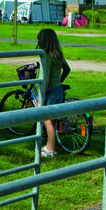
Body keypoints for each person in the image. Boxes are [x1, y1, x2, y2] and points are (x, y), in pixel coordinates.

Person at [36, 28, 71, 158]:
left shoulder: (47, 57)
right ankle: (49, 144)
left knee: (47, 120)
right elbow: (67, 69)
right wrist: (59, 81)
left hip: (50, 92)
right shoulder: (58, 54)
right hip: (58, 90)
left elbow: (45, 78)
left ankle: (50, 148)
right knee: (53, 120)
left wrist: (41, 95)